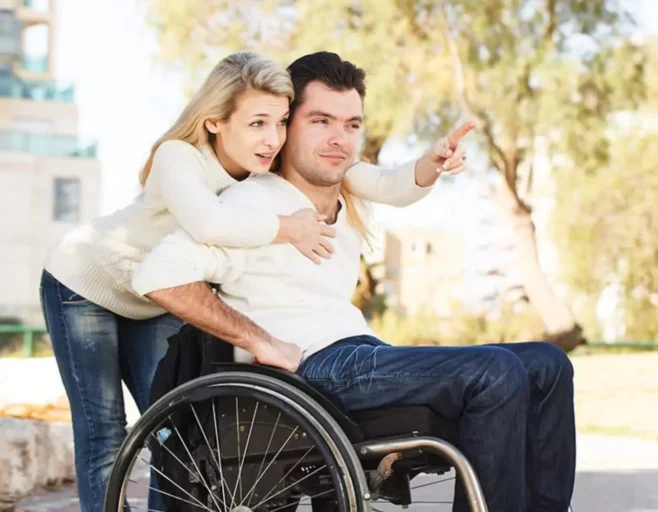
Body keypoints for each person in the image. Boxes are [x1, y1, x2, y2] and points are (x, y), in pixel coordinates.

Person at [133, 51, 575, 512]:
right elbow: (160, 276)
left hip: (360, 353)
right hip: (311, 369)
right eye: (320, 121)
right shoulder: (253, 204)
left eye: (351, 125)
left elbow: (395, 184)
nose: (338, 139)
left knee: (547, 364)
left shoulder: (348, 195)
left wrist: (431, 164)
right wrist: (260, 341)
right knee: (495, 372)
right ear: (286, 127)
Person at [38, 51, 468, 512]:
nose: (272, 138)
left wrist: (430, 164)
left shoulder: (267, 164)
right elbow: (207, 222)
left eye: (281, 123)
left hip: (154, 297)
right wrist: (289, 228)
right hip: (86, 284)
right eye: (257, 123)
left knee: (170, 431)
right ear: (215, 122)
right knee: (103, 430)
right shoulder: (178, 157)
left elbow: (384, 184)